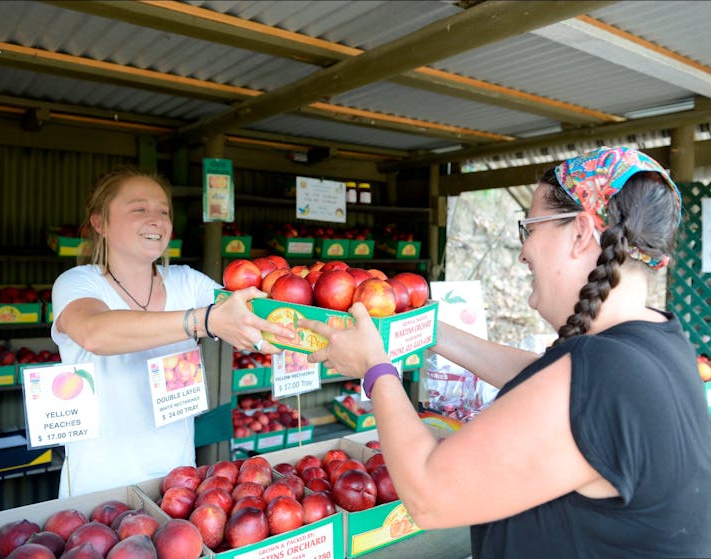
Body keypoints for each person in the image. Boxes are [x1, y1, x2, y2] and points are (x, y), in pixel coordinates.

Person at [300, 146, 711, 558]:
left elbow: (428, 495)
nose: (522, 251)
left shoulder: (600, 372)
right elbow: (544, 381)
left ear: (582, 233)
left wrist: (374, 368)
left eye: (530, 227)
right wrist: (421, 330)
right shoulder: (658, 341)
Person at [51, 166, 290, 497]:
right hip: (98, 492)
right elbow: (95, 333)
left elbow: (245, 315)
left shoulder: (186, 282)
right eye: (139, 209)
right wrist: (204, 321)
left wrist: (291, 331)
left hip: (177, 486)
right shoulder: (78, 282)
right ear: (100, 223)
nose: (157, 220)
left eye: (164, 211)